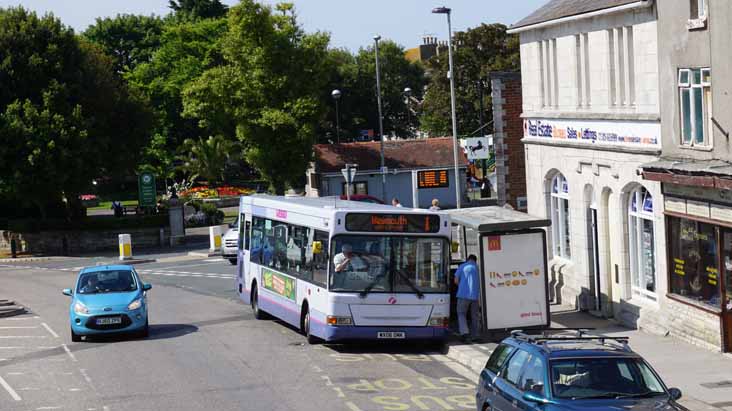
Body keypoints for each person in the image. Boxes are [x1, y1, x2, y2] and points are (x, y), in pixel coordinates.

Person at [454, 254, 480, 343]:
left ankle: (465, 334)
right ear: (475, 260)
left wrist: (461, 286)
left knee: (461, 314)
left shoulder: (462, 266)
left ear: (468, 259)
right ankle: (476, 335)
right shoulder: (478, 268)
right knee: (475, 316)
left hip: (463, 295)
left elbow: (456, 281)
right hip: (476, 296)